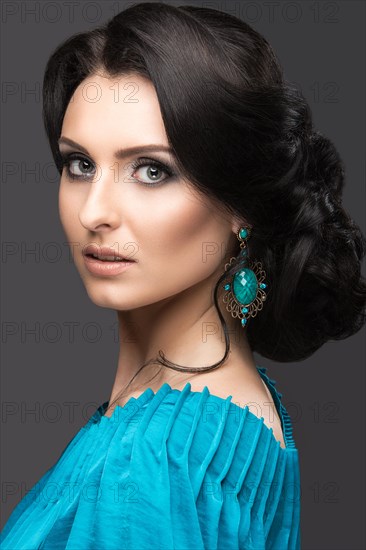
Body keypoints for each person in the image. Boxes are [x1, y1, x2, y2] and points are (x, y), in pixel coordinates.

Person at [1, 2, 365, 549]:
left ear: (240, 203)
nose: (92, 212)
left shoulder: (156, 461)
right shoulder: (237, 411)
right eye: (80, 164)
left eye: (151, 170)